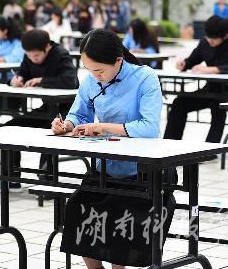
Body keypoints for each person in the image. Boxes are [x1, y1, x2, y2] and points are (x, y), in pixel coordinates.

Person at [51, 29, 163, 269]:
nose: (94, 76)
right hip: (104, 167)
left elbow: (149, 128)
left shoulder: (145, 78)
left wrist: (103, 127)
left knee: (117, 222)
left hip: (140, 172)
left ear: (119, 61)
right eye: (89, 69)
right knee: (76, 212)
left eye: (99, 71)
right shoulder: (91, 79)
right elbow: (79, 113)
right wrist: (66, 124)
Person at [0, 29, 79, 192]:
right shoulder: (29, 55)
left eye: (36, 56)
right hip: (47, 109)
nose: (33, 59)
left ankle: (47, 180)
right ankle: (11, 179)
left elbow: (71, 81)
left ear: (47, 47)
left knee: (52, 131)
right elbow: (21, 73)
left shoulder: (61, 54)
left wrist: (42, 80)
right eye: (29, 56)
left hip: (67, 111)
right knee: (10, 128)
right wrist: (16, 80)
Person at [164, 16, 228, 143]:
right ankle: (169, 144)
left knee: (218, 107)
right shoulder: (205, 43)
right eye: (208, 37)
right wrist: (183, 64)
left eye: (214, 38)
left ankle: (210, 148)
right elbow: (191, 61)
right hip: (210, 90)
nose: (210, 41)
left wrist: (212, 69)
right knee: (179, 103)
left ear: (224, 36)